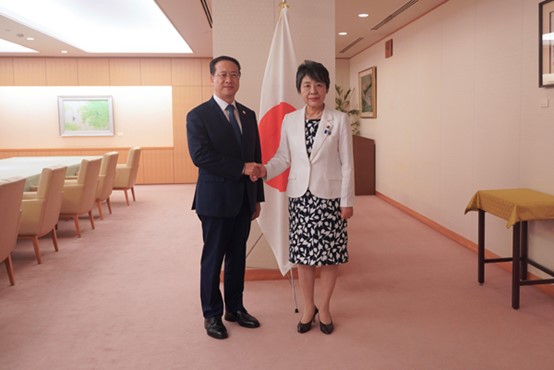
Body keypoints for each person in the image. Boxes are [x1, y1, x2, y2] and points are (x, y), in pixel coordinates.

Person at [253, 60, 354, 335]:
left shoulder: (339, 120)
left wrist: (347, 201)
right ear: (300, 89)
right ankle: (308, 307)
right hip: (300, 198)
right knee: (305, 257)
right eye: (307, 85)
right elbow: (284, 158)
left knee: (330, 256)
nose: (313, 90)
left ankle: (325, 307)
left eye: (319, 85)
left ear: (326, 89)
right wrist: (265, 170)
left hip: (330, 198)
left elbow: (347, 163)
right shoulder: (290, 120)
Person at [186, 55, 264, 340]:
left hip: (243, 200)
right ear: (212, 79)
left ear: (239, 78)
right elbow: (201, 157)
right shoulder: (198, 115)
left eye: (234, 74)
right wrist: (241, 168)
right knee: (213, 258)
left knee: (238, 258)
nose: (228, 80)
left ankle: (235, 308)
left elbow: (256, 158)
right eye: (222, 75)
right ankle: (212, 314)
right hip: (215, 200)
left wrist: (256, 198)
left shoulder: (248, 114)